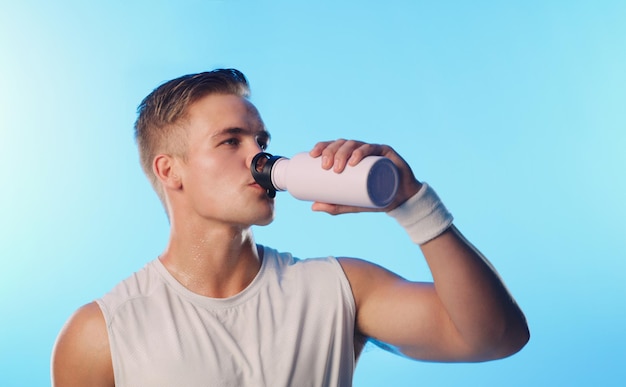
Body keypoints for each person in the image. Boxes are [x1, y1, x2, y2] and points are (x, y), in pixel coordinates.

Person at [51, 69, 529, 386]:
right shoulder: (101, 334)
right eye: (230, 141)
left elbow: (495, 337)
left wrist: (412, 202)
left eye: (261, 139)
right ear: (170, 170)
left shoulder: (340, 289)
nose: (260, 157)